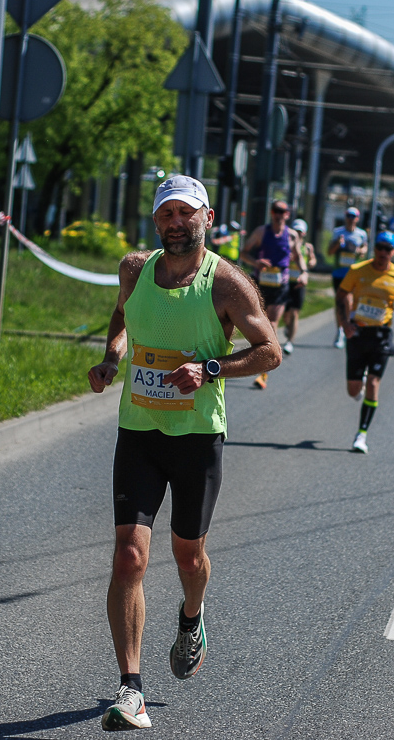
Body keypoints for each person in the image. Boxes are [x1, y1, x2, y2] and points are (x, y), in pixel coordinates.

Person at [87, 174, 281, 731]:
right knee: (129, 555)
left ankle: (191, 616)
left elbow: (270, 351)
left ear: (207, 218)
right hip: (140, 432)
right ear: (156, 222)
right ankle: (131, 690)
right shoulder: (134, 269)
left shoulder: (226, 284)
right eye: (167, 214)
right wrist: (112, 358)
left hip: (197, 437)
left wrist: (212, 368)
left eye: (186, 213)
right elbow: (123, 315)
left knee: (187, 557)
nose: (177, 223)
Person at [339, 230, 394, 454]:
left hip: (381, 335)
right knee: (353, 390)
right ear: (374, 249)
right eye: (380, 247)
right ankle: (357, 388)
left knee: (373, 383)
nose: (383, 253)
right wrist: (344, 323)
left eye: (387, 249)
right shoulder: (357, 270)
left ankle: (362, 435)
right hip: (358, 333)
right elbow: (341, 295)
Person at [240, 200, 302, 388]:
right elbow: (244, 253)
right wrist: (256, 262)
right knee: (258, 322)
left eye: (283, 211)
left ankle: (264, 371)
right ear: (271, 212)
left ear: (288, 215)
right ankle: (261, 353)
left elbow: (298, 256)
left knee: (272, 323)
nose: (279, 214)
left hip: (280, 285)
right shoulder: (261, 232)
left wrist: (304, 273)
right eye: (276, 210)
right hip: (261, 284)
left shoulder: (292, 236)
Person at [327, 206, 369, 349]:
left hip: (353, 274)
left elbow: (364, 249)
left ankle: (347, 328)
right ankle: (339, 330)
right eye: (348, 216)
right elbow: (330, 252)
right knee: (340, 302)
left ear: (357, 219)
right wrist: (337, 243)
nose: (350, 219)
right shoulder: (338, 232)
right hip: (339, 273)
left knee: (349, 301)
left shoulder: (361, 234)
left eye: (353, 216)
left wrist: (361, 250)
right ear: (345, 217)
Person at [283, 218, 317, 354]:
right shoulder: (286, 244)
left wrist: (308, 264)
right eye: (296, 231)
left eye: (300, 232)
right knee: (285, 313)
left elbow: (313, 260)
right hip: (285, 281)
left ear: (304, 233)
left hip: (299, 282)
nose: (298, 234)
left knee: (295, 312)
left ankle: (290, 342)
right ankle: (287, 326)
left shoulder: (307, 247)